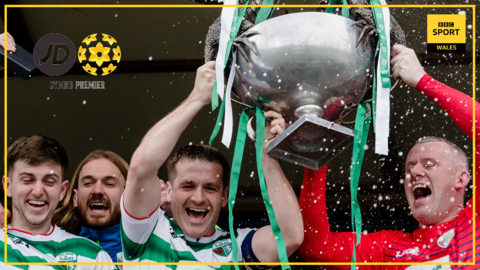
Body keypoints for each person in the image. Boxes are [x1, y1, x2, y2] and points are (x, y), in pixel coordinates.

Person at [298, 44, 480, 269]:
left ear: (461, 179)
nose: (413, 172)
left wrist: (423, 80)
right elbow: (317, 247)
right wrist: (317, 160)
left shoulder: (475, 221)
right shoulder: (390, 248)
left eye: (430, 164)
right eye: (409, 168)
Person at [120, 61, 304, 269]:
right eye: (188, 186)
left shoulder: (238, 247)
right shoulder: (146, 232)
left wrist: (267, 156)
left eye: (210, 188)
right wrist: (196, 99)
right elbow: (140, 168)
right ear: (169, 191)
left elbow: (290, 237)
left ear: (224, 196)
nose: (198, 198)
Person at [0, 135, 114, 269]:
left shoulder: (94, 257)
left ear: (62, 190)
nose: (38, 191)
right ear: (7, 186)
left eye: (49, 181)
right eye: (27, 180)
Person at [53, 150, 130, 265]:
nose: (97, 191)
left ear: (128, 196)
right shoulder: (52, 252)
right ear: (75, 198)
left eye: (109, 183)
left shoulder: (149, 252)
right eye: (88, 183)